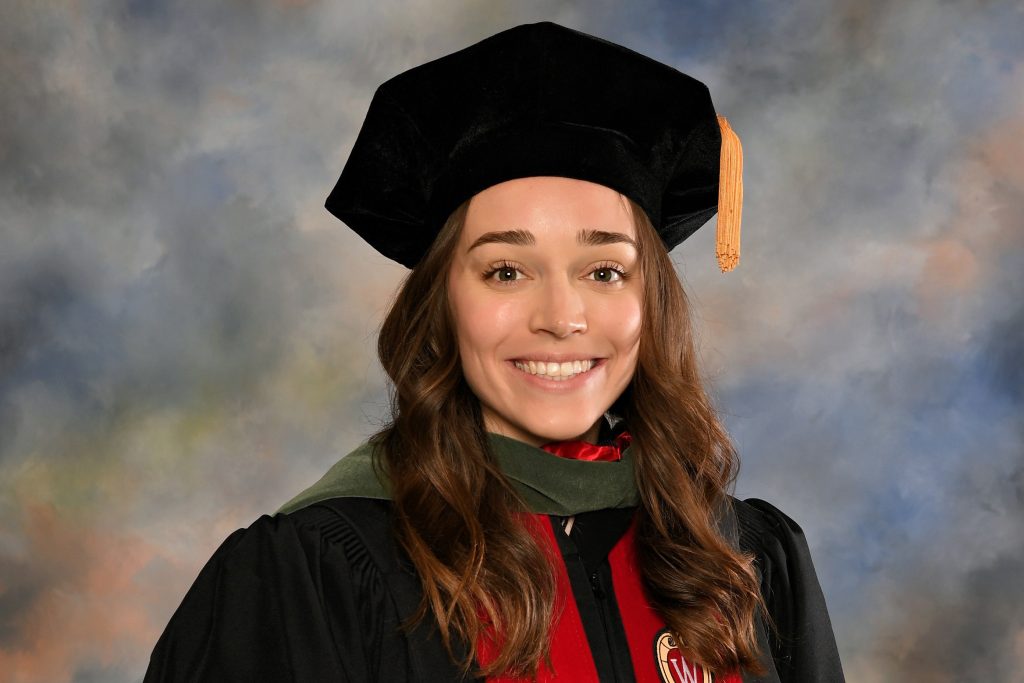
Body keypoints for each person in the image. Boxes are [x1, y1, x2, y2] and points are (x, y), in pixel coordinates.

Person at [143, 21, 844, 683]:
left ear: (650, 303)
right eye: (506, 270)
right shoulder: (318, 573)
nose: (561, 318)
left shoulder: (744, 560)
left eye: (604, 272)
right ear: (442, 303)